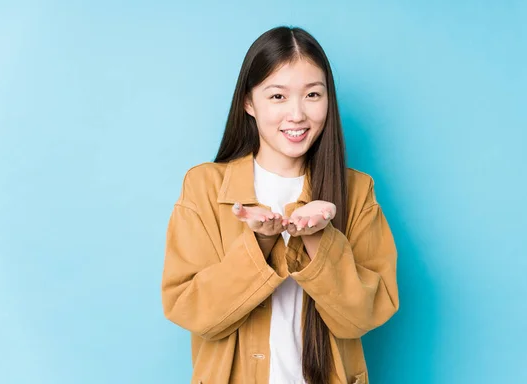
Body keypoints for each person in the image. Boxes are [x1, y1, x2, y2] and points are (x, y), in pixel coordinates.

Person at [161, 26, 399, 384]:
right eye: (278, 97)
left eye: (313, 95)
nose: (297, 115)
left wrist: (319, 238)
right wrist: (259, 244)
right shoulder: (205, 187)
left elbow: (367, 314)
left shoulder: (356, 190)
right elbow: (190, 310)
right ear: (248, 102)